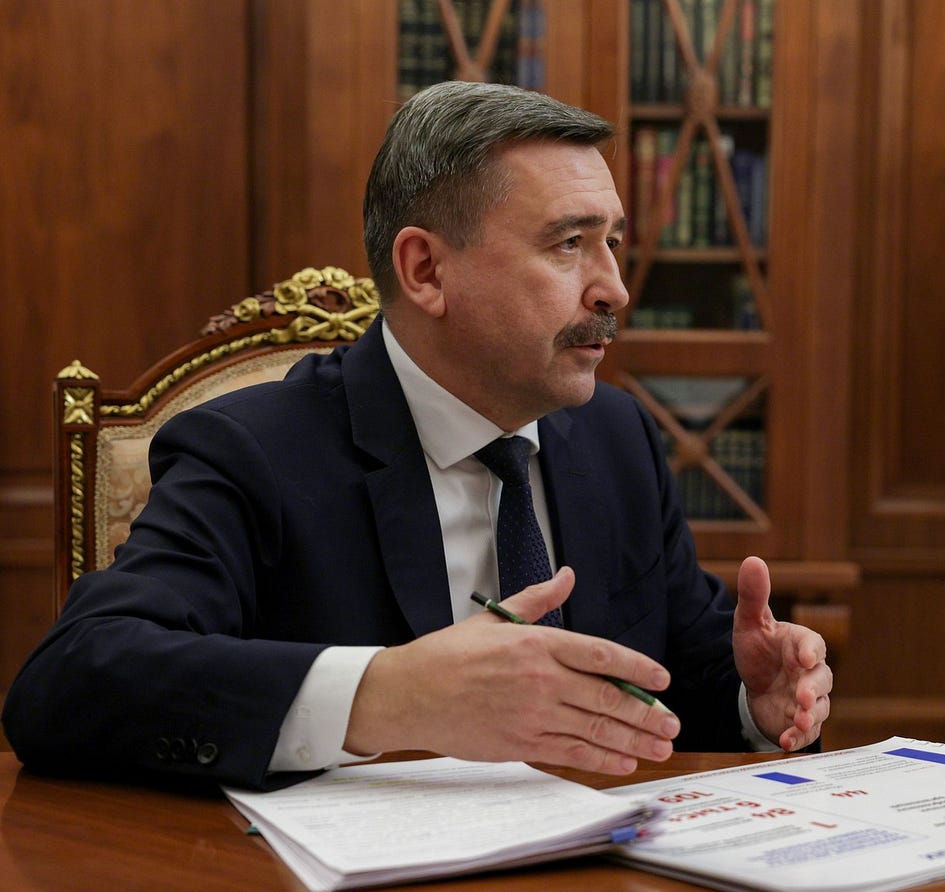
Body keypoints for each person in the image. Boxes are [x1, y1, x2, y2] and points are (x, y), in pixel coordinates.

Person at [2, 81, 831, 790]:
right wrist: (389, 693)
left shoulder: (617, 436)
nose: (613, 287)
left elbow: (678, 670)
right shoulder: (252, 450)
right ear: (426, 271)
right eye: (569, 244)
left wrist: (751, 704)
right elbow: (70, 684)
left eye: (611, 242)